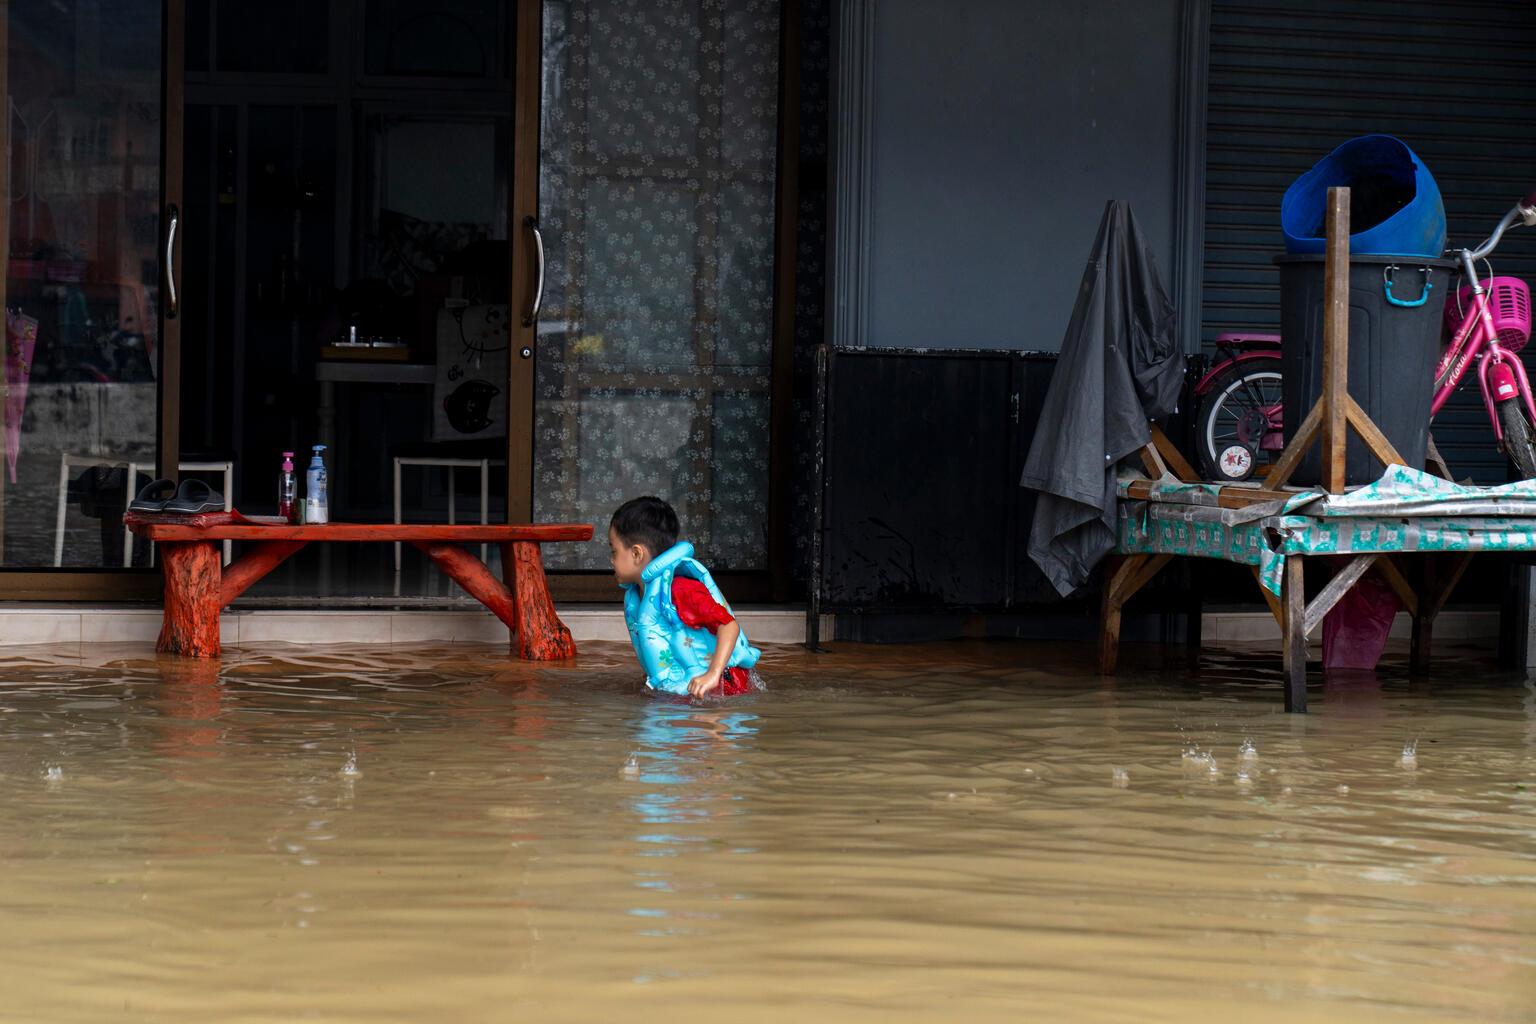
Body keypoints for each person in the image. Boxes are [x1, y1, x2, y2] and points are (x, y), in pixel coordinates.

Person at [608, 496, 762, 697]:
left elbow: (729, 625)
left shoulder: (681, 589)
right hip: (690, 685)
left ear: (637, 554)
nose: (611, 560)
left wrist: (713, 674)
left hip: (724, 682)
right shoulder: (639, 594)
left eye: (614, 551)